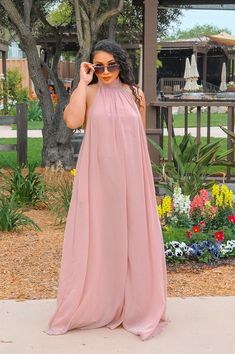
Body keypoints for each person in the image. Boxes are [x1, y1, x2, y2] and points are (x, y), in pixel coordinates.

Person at [47, 39, 168, 341]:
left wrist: (143, 180)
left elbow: (137, 137)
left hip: (131, 176)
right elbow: (73, 121)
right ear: (91, 67)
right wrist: (81, 80)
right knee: (100, 236)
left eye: (111, 65)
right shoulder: (88, 93)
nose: (106, 71)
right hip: (98, 176)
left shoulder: (134, 93)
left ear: (121, 64)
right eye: (98, 66)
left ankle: (133, 303)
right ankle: (99, 301)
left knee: (131, 237)